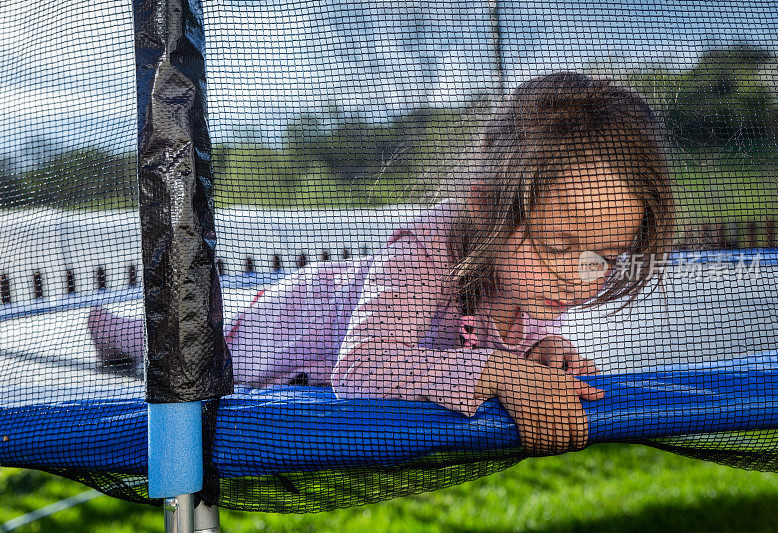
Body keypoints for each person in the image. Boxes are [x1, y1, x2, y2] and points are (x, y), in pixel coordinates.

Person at [89, 71, 676, 455]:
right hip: (292, 327)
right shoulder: (427, 250)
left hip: (346, 304)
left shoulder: (528, 273)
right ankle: (125, 334)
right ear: (485, 205)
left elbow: (503, 323)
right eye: (557, 248)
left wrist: (540, 350)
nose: (577, 280)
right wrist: (498, 374)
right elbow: (362, 370)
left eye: (603, 258)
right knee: (198, 356)